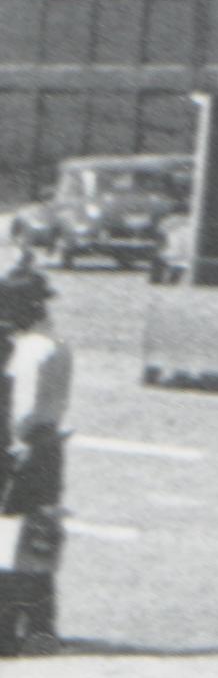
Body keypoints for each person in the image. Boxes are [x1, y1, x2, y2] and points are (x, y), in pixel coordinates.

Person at [0, 270, 69, 646]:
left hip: (26, 449)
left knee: (8, 538)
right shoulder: (57, 343)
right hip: (52, 447)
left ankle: (7, 629)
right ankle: (42, 625)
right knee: (39, 537)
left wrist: (15, 443)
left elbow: (23, 412)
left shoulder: (27, 351)